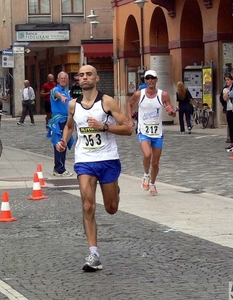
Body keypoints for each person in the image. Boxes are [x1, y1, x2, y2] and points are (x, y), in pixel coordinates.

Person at [56, 65, 132, 272]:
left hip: (108, 159)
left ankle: (114, 191)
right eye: (81, 75)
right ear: (78, 80)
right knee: (88, 205)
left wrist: (104, 127)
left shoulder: (107, 102)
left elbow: (127, 128)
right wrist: (63, 141)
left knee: (111, 208)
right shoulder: (73, 105)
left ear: (97, 78)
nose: (85, 77)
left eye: (89, 74)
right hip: (85, 160)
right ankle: (93, 254)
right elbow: (70, 126)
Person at [127, 70, 176, 196]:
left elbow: (172, 113)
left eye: (152, 78)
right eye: (148, 78)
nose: (150, 80)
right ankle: (146, 175)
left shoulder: (163, 95)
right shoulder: (139, 94)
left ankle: (153, 183)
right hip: (144, 130)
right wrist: (130, 119)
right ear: (145, 80)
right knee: (147, 155)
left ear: (156, 79)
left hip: (157, 132)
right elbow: (129, 104)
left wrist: (171, 112)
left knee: (155, 162)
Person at [47, 71, 73, 177]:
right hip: (59, 122)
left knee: (64, 144)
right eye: (61, 78)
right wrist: (61, 97)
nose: (63, 80)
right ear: (58, 80)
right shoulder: (56, 90)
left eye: (65, 78)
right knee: (60, 144)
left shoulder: (67, 91)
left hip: (66, 121)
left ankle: (60, 167)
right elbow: (55, 94)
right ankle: (59, 169)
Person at [222, 74, 233, 150]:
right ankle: (232, 142)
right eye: (226, 80)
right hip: (229, 109)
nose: (227, 81)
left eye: (228, 80)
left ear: (232, 80)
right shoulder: (225, 89)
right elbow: (225, 98)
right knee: (231, 126)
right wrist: (229, 90)